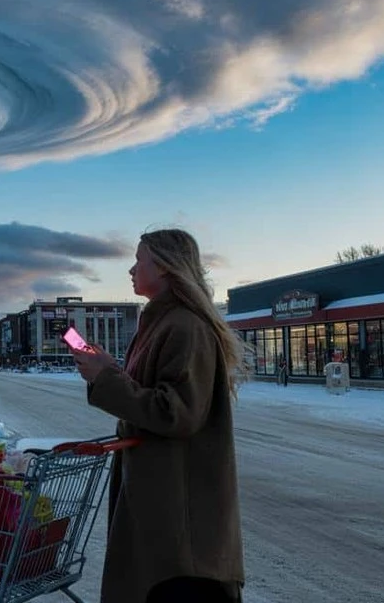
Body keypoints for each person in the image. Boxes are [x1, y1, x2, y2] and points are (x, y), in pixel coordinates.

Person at [73, 229, 246, 603]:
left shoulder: (186, 326)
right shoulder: (160, 324)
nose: (131, 270)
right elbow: (153, 396)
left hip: (182, 538)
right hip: (163, 519)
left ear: (166, 267)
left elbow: (176, 412)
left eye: (139, 260)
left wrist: (107, 378)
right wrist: (109, 371)